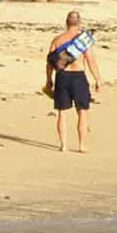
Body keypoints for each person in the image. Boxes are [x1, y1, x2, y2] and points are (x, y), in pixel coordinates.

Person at [44, 11, 101, 153]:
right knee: (82, 112)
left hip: (62, 77)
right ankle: (82, 145)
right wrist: (98, 79)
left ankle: (63, 145)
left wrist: (49, 80)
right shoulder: (83, 40)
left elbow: (50, 63)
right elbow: (90, 60)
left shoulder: (57, 40)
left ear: (66, 23)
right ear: (79, 23)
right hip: (78, 77)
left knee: (62, 113)